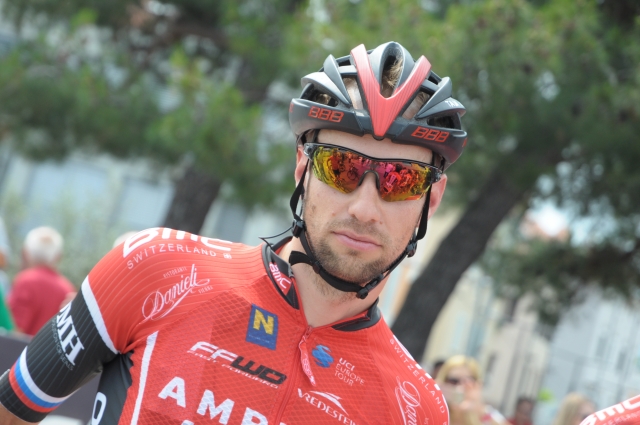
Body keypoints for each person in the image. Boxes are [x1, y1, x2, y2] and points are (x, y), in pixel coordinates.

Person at [0, 41, 468, 424]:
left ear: (432, 198)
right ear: (303, 167)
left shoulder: (417, 410)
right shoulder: (155, 268)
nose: (365, 209)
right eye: (341, 167)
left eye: (401, 180)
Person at [6, 226, 75, 336]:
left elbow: (14, 330)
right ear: (58, 256)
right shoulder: (68, 289)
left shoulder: (25, 281)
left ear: (26, 253)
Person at [436, 355, 508, 425]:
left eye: (468, 382)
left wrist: (480, 409)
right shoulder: (433, 414)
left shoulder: (485, 415)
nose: (460, 387)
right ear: (443, 382)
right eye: (453, 381)